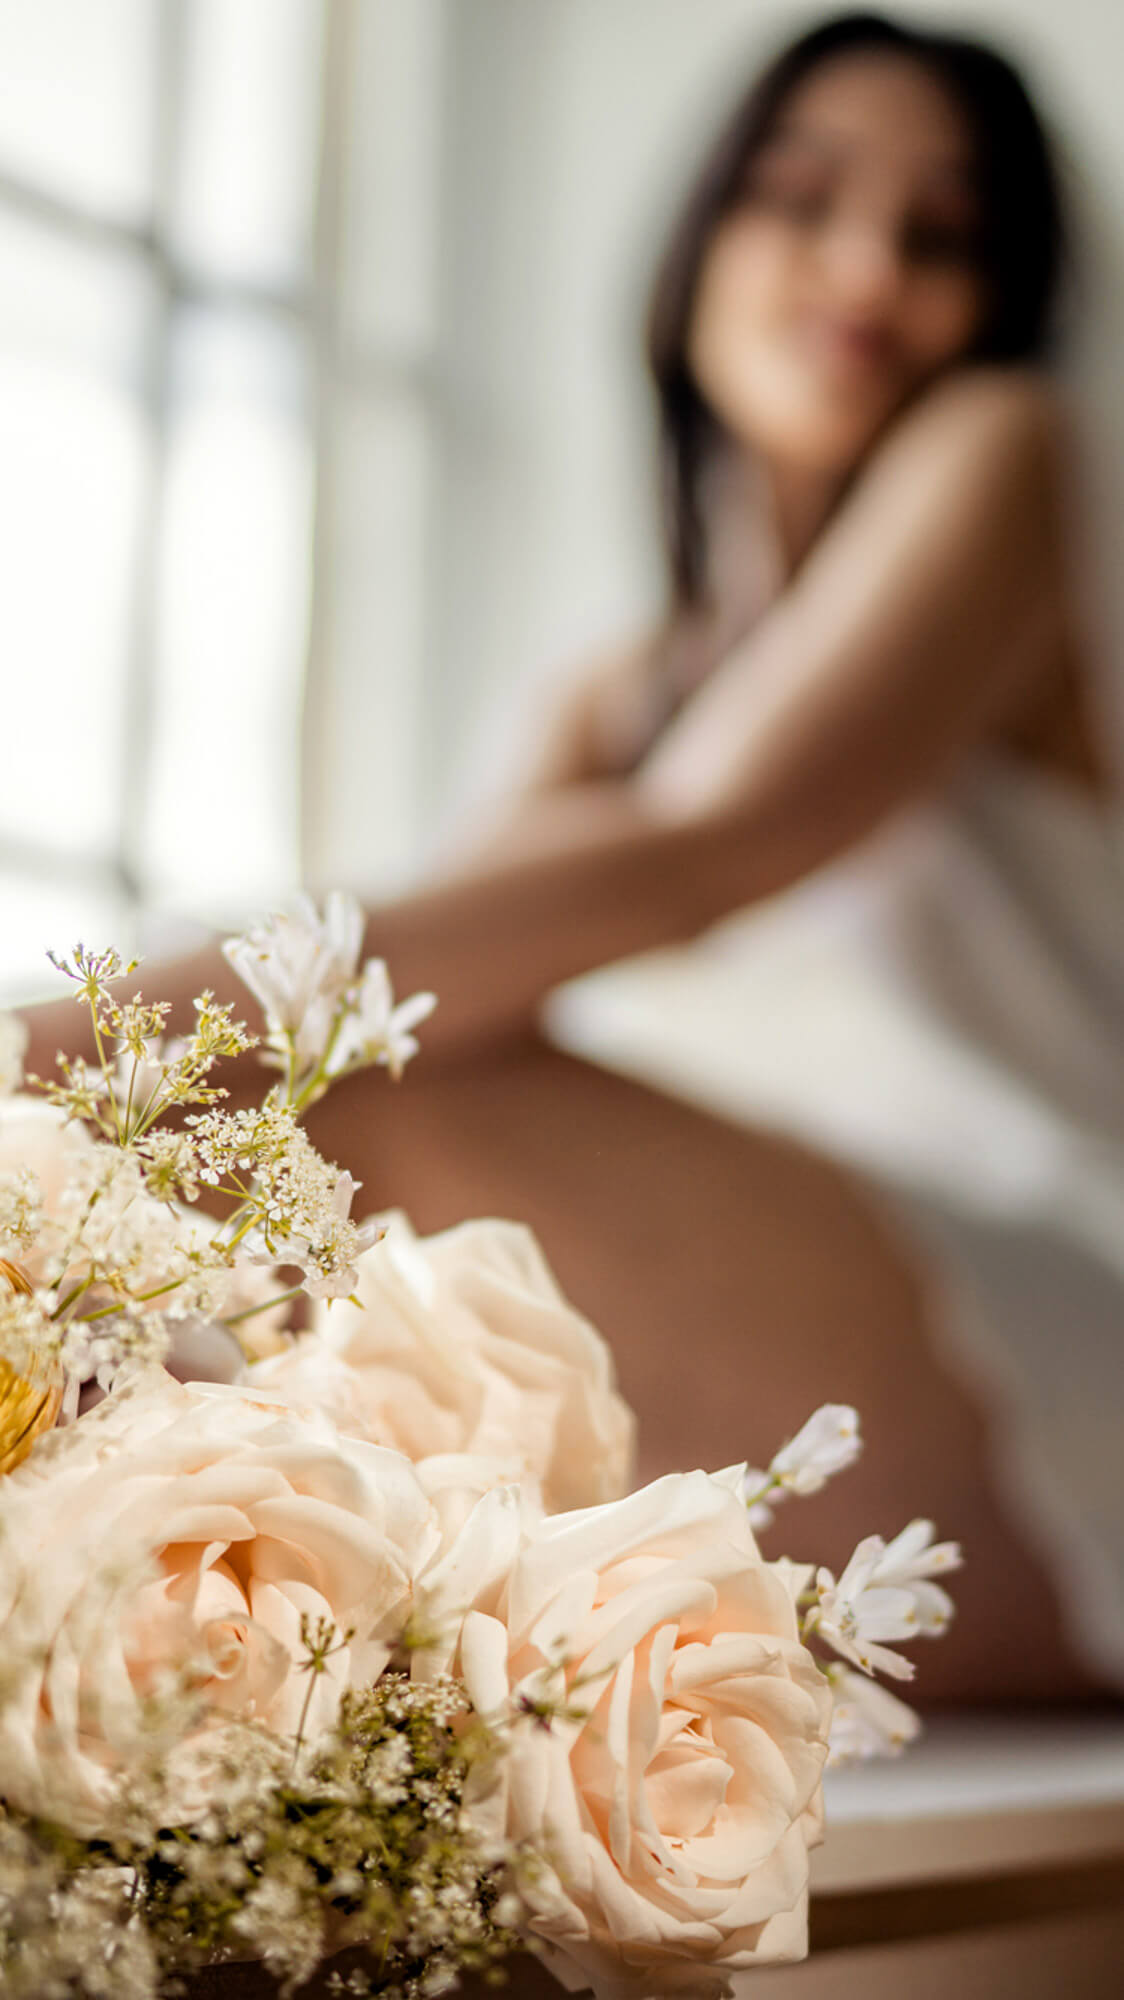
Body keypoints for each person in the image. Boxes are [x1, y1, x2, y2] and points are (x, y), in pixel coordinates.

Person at [22, 12, 1124, 1703]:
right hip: (803, 1286)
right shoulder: (628, 683)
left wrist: (73, 1035)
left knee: (320, 1115)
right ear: (695, 251)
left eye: (943, 235)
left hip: (1039, 1306)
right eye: (801, 198)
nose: (866, 269)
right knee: (280, 1136)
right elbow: (450, 974)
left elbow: (703, 849)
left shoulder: (1006, 454)